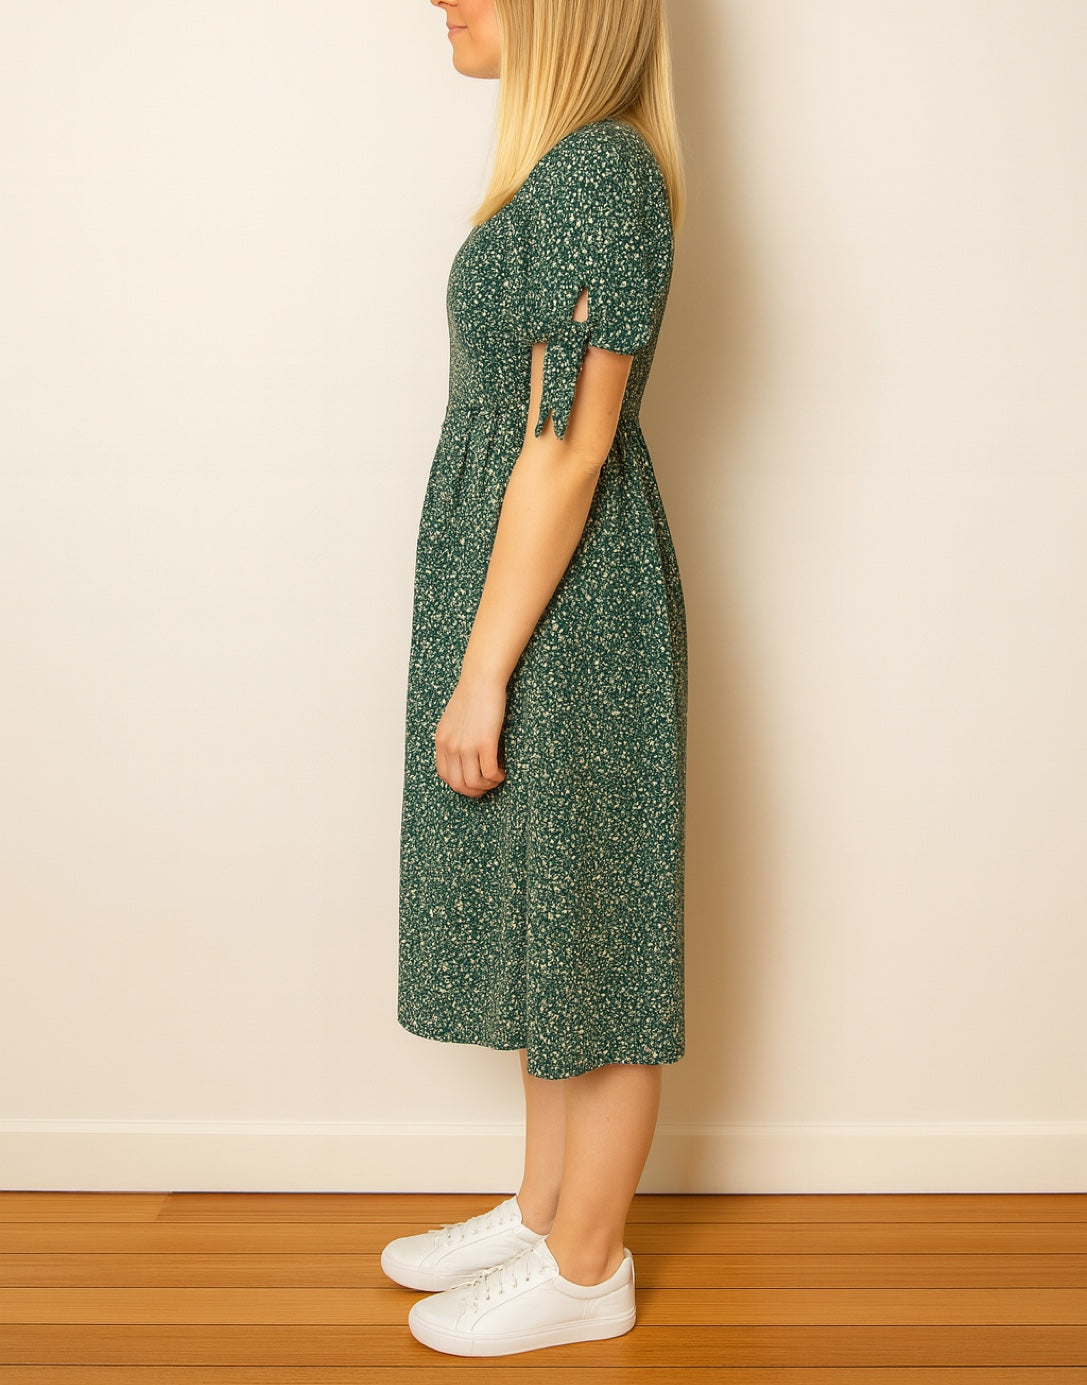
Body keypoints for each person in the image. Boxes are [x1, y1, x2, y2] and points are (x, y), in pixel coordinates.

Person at [382, 0, 688, 1357]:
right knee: (548, 915)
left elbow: (570, 450)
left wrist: (484, 671)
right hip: (519, 596)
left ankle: (586, 1263)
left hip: (568, 619)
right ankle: (545, 1204)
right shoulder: (564, 170)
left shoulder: (604, 176)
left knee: (600, 938)